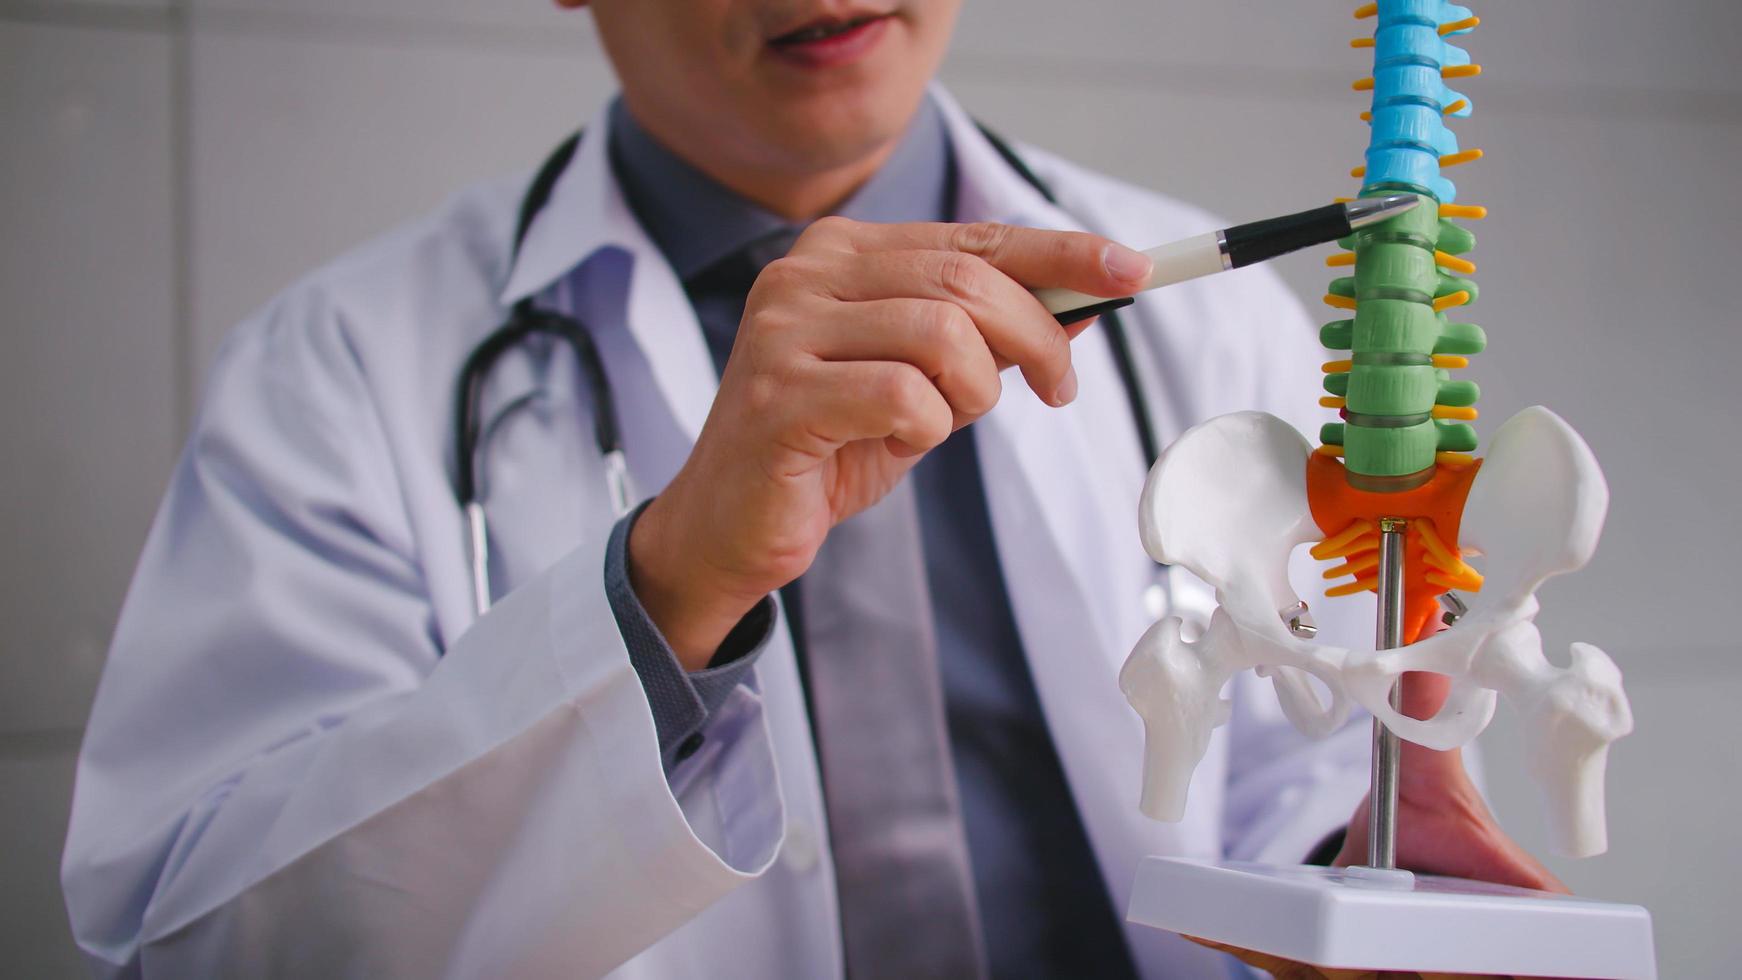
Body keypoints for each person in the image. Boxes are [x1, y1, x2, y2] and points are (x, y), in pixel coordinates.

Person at [60, 0, 1564, 976]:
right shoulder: (338, 371)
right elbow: (185, 945)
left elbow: (1290, 786)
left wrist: (1343, 874)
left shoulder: (1213, 317)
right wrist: (660, 594)